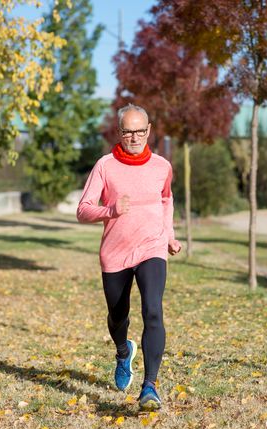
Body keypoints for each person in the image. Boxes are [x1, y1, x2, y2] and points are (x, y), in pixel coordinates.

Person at [76, 104, 181, 410]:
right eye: (127, 131)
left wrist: (170, 235)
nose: (134, 137)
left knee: (153, 311)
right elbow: (83, 209)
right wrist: (110, 210)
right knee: (118, 316)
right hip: (116, 253)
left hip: (152, 247)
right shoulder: (105, 166)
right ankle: (123, 351)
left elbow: (166, 200)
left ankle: (150, 387)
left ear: (149, 130)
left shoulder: (162, 166)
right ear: (118, 132)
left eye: (140, 131)